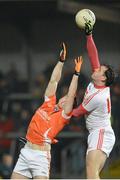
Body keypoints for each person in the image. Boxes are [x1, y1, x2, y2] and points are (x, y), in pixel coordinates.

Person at [11, 43, 83, 179]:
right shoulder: (48, 103)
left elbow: (72, 91)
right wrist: (61, 61)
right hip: (26, 152)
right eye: (65, 96)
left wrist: (76, 74)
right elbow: (53, 81)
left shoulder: (64, 115)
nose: (65, 98)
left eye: (69, 99)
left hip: (40, 156)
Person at [72, 22, 116, 179]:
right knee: (92, 174)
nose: (96, 68)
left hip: (101, 133)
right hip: (97, 133)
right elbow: (93, 54)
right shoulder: (98, 82)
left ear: (103, 78)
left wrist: (56, 110)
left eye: (99, 70)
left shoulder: (99, 97)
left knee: (91, 173)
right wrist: (89, 34)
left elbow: (76, 112)